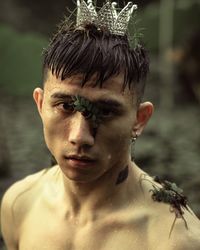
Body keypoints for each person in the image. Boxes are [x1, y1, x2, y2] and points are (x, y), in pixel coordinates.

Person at [1, 1, 200, 249]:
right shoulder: (20, 204)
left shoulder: (173, 238)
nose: (80, 136)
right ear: (40, 104)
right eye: (65, 106)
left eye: (105, 111)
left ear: (139, 120)